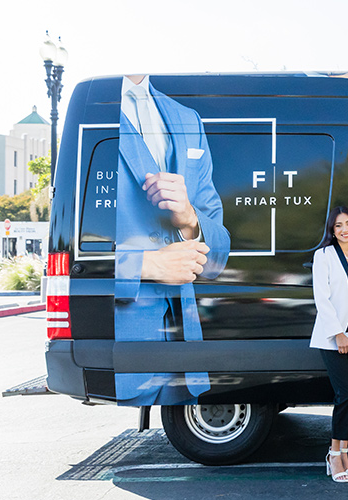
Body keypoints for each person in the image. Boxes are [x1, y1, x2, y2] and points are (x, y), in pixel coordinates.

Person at [114, 74, 231, 405]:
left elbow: (218, 250)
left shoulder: (186, 118)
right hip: (124, 349)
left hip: (187, 350)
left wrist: (189, 218)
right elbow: (69, 246)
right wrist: (145, 264)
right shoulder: (93, 108)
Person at [310, 206, 348, 483]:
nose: (345, 229)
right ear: (332, 231)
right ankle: (334, 455)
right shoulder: (322, 256)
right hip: (331, 338)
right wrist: (338, 333)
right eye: (338, 226)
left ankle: (344, 453)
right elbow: (321, 298)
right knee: (344, 394)